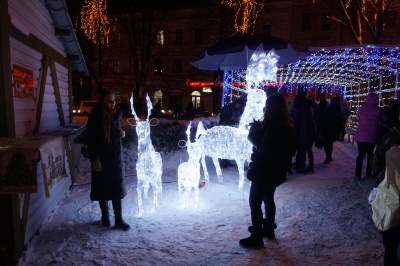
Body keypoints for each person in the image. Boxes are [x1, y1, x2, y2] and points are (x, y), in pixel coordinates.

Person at [239, 93, 295, 248]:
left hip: (264, 170)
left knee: (255, 202)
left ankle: (256, 237)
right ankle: (269, 229)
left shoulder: (273, 126)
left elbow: (264, 148)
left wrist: (252, 135)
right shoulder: (288, 125)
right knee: (268, 198)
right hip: (276, 171)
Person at [86, 89, 130, 230]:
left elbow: (115, 132)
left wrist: (121, 133)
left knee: (116, 187)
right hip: (102, 158)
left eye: (114, 100)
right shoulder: (97, 115)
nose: (113, 103)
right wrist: (95, 159)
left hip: (115, 157)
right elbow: (90, 139)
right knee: (103, 187)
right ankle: (105, 216)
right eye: (109, 101)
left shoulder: (116, 114)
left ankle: (118, 219)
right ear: (103, 101)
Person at [370, 99, 400, 265]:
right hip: (391, 196)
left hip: (392, 196)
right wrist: (384, 151)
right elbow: (375, 165)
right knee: (391, 245)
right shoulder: (389, 137)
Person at [354, 92, 382, 180]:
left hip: (360, 136)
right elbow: (381, 121)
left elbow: (359, 118)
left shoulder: (361, 109)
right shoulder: (379, 110)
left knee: (361, 155)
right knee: (370, 155)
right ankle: (368, 173)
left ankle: (357, 175)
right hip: (372, 135)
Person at [218, 95, 247, 168]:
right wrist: (230, 119)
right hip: (224, 128)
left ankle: (226, 160)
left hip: (229, 128)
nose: (239, 106)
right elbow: (222, 118)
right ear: (236, 103)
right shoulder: (228, 108)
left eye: (240, 106)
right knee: (224, 145)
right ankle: (222, 162)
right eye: (239, 105)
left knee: (228, 145)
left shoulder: (235, 109)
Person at [292, 93, 317, 174]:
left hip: (302, 133)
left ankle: (301, 167)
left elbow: (296, 123)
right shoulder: (309, 108)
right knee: (309, 150)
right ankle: (311, 167)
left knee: (302, 150)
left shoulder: (297, 109)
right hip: (311, 131)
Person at [320, 97, 342, 164]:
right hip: (334, 128)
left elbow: (325, 118)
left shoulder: (330, 107)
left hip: (328, 128)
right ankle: (329, 156)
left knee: (327, 143)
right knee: (329, 143)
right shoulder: (338, 108)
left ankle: (328, 156)